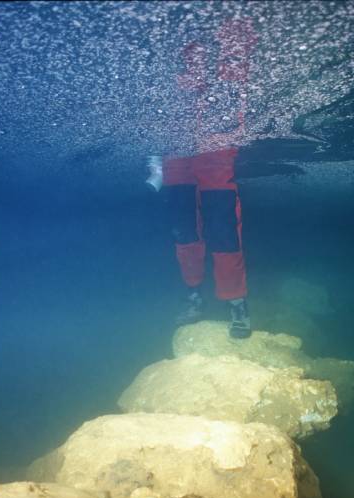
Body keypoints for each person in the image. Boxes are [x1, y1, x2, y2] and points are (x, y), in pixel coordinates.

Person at [146, 17, 256, 339]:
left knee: (222, 226)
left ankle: (236, 299)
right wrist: (155, 168)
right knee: (183, 229)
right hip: (176, 152)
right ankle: (193, 293)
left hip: (215, 150)